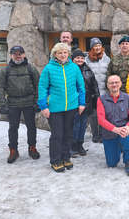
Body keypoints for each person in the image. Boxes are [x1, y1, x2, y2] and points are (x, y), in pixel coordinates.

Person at [38, 43, 85, 173]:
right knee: (57, 135)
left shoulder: (74, 68)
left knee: (68, 134)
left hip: (71, 106)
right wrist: (43, 106)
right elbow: (42, 88)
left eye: (65, 52)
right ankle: (56, 160)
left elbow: (81, 87)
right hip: (54, 108)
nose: (63, 55)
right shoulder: (48, 68)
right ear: (55, 55)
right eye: (60, 53)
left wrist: (82, 103)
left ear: (68, 54)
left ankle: (66, 157)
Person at [0, 45, 41, 164]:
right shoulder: (5, 70)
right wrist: (2, 104)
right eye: (15, 54)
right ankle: (13, 150)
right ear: (11, 55)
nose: (18, 56)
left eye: (20, 53)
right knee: (13, 128)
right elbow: (0, 87)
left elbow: (38, 85)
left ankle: (32, 148)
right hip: (13, 103)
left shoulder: (30, 68)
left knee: (31, 127)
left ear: (24, 54)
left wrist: (37, 102)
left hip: (29, 102)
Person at [97, 75, 129, 175]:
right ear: (107, 85)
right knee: (111, 163)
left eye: (116, 82)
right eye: (111, 83)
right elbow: (101, 119)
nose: (114, 85)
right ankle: (117, 148)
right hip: (109, 132)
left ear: (120, 84)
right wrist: (115, 129)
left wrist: (128, 127)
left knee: (128, 137)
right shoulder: (101, 99)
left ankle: (128, 160)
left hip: (124, 130)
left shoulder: (127, 98)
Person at [70, 49, 100, 157]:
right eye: (77, 58)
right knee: (74, 126)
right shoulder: (69, 70)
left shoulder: (88, 69)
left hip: (87, 103)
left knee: (82, 125)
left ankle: (80, 145)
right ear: (73, 59)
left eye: (82, 58)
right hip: (73, 104)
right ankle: (72, 146)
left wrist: (97, 99)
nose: (80, 60)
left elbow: (94, 85)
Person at [86, 37, 110, 143]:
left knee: (103, 114)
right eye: (95, 46)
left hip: (104, 91)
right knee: (93, 114)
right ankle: (95, 134)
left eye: (99, 45)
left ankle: (103, 133)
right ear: (91, 47)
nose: (97, 47)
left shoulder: (107, 59)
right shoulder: (86, 60)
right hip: (92, 92)